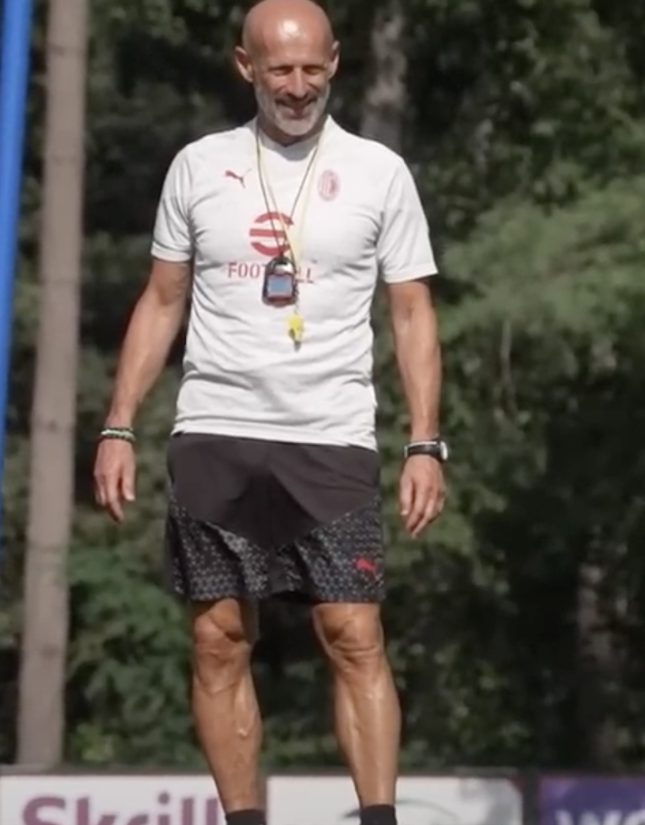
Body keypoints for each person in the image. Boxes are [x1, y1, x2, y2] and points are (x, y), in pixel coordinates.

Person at [89, 2, 445, 823]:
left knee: (352, 632)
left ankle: (378, 816)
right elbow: (162, 299)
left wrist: (426, 441)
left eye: (312, 68)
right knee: (219, 638)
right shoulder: (198, 165)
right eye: (279, 69)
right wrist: (118, 422)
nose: (297, 86)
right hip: (217, 428)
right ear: (245, 66)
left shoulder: (378, 171)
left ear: (336, 63)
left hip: (331, 434)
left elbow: (413, 313)